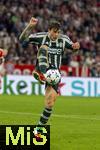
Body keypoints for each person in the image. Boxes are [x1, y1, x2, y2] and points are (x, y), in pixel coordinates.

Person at [19, 17, 80, 136]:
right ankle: (41, 73)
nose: (56, 34)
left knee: (50, 103)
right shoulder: (40, 36)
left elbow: (73, 48)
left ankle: (38, 130)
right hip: (43, 68)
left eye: (58, 32)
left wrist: (75, 48)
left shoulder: (64, 40)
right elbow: (22, 41)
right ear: (49, 30)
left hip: (55, 75)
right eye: (54, 31)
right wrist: (30, 26)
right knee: (44, 47)